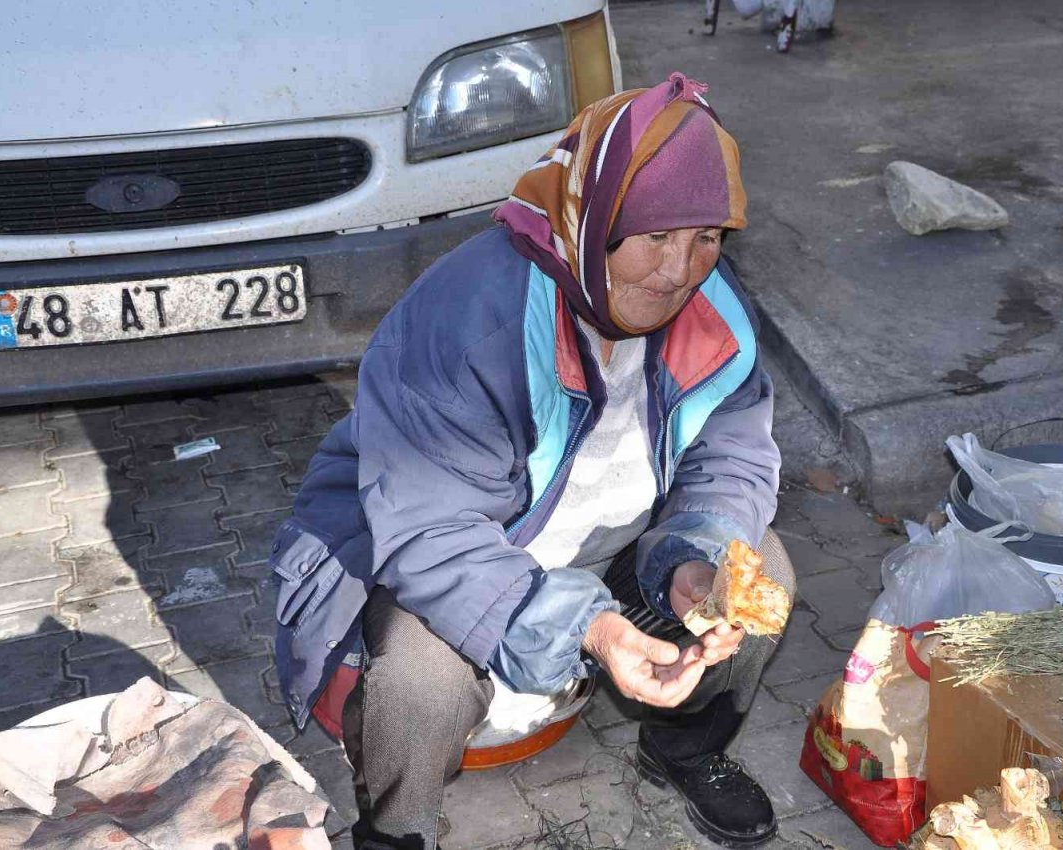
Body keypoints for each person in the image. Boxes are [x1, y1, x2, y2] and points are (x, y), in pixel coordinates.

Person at [271, 72, 793, 850]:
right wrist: (592, 630)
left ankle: (686, 751)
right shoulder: (473, 321)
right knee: (419, 678)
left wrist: (695, 560)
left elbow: (733, 457)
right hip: (435, 557)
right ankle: (397, 828)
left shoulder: (714, 313)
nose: (680, 270)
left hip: (607, 548)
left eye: (707, 238)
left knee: (759, 579)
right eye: (655, 237)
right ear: (592, 219)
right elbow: (430, 535)